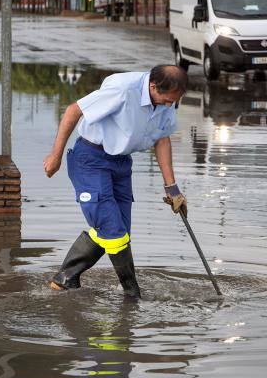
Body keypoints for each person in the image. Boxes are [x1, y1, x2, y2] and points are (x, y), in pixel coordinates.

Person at [43, 65, 189, 298]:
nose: (170, 106)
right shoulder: (122, 89)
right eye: (168, 100)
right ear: (153, 87)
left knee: (118, 231)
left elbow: (162, 139)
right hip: (91, 159)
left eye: (174, 101)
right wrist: (55, 156)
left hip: (121, 164)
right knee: (114, 231)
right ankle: (132, 293)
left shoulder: (165, 102)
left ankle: (65, 278)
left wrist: (172, 189)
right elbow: (73, 111)